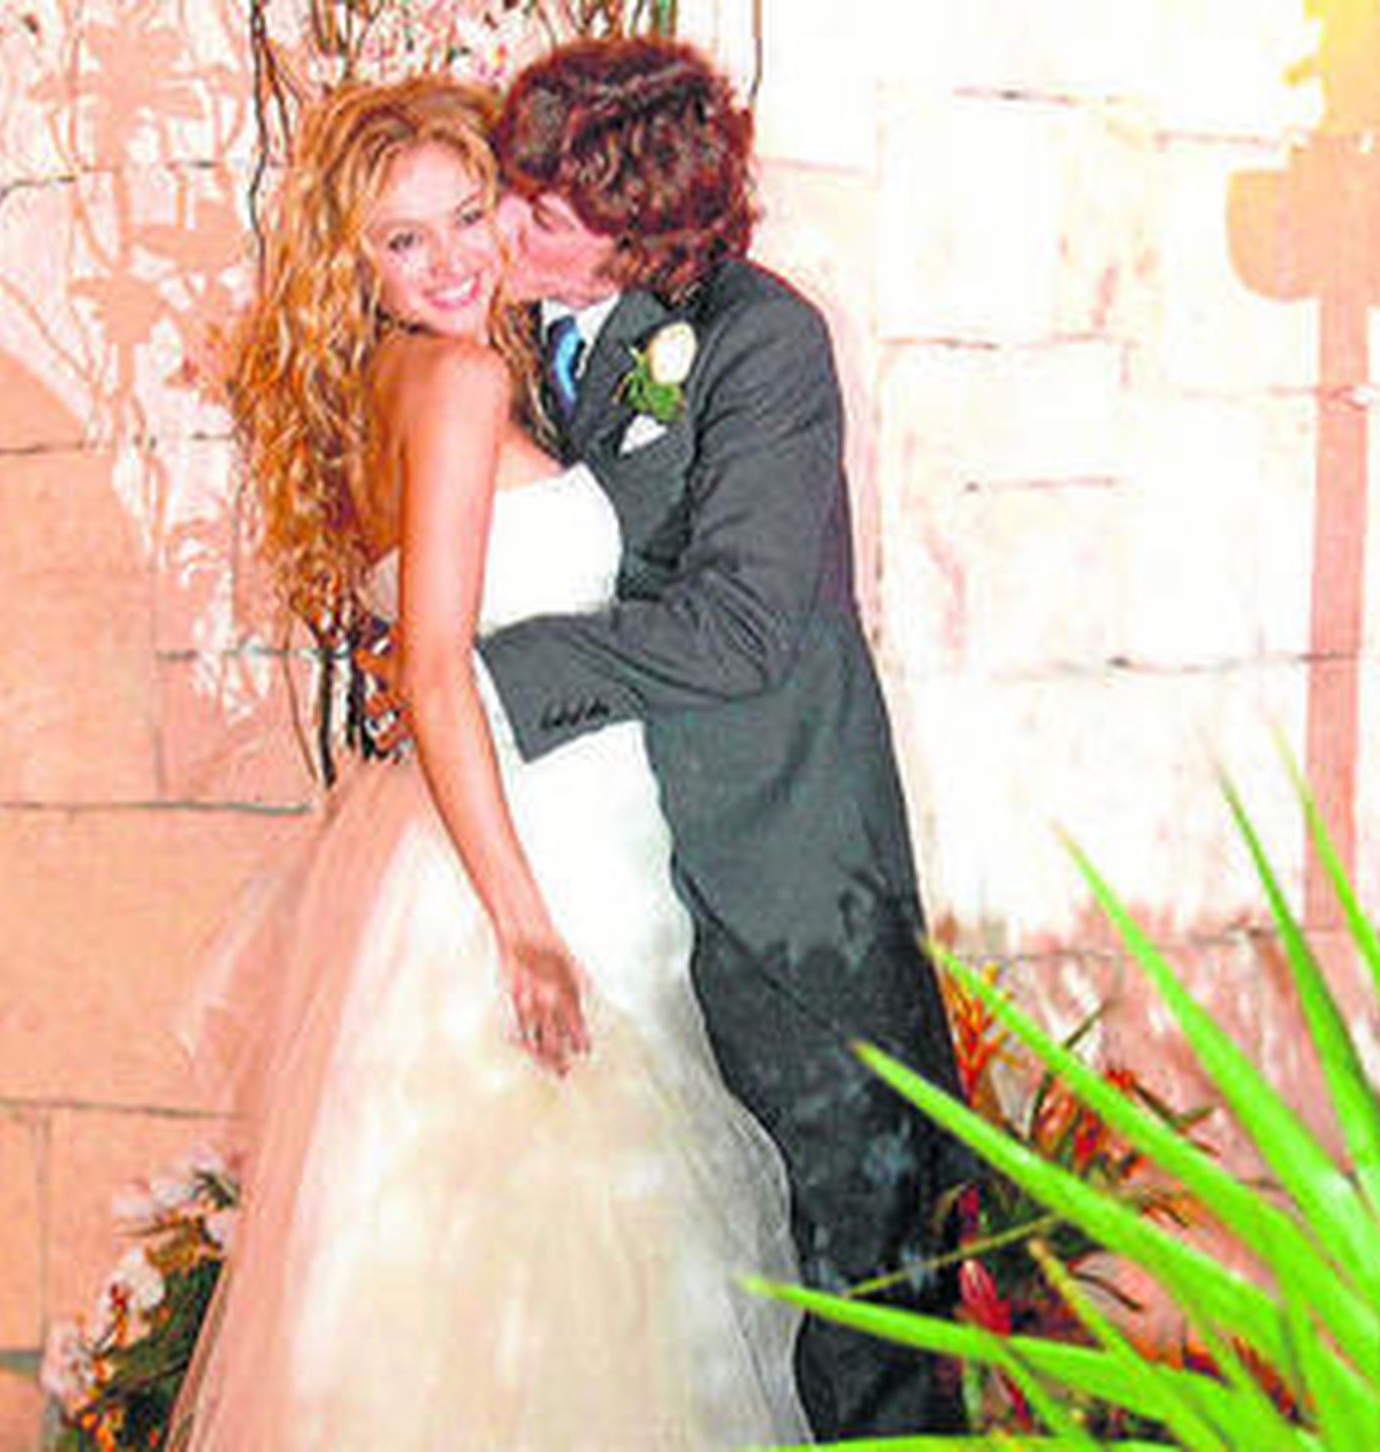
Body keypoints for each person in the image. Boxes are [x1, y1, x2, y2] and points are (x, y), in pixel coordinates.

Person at [169, 75, 809, 1449]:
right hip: (527, 855)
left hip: (484, 835)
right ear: (354, 260)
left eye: (471, 215)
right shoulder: (459, 382)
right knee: (568, 1288)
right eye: (405, 240)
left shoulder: (390, 383)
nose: (454, 258)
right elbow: (434, 667)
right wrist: (525, 930)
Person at [473, 37, 973, 1438]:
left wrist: (484, 672)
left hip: (780, 885)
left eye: (544, 213)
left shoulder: (764, 342)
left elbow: (744, 628)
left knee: (864, 1310)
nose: (502, 228)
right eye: (509, 187)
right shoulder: (495, 339)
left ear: (643, 232)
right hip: (604, 887)